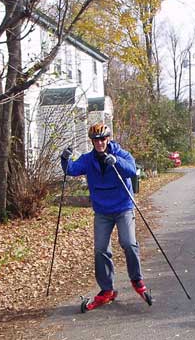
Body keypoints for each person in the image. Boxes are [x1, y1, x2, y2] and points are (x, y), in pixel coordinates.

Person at [61, 122, 148, 306]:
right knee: (101, 249)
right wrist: (64, 159)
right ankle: (107, 289)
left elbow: (132, 170)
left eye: (102, 139)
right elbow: (72, 170)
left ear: (108, 138)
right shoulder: (88, 159)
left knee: (129, 243)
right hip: (102, 211)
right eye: (95, 140)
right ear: (92, 141)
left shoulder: (120, 154)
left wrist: (116, 162)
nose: (99, 142)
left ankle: (136, 279)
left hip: (123, 207)